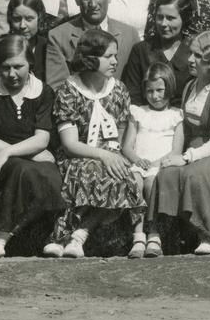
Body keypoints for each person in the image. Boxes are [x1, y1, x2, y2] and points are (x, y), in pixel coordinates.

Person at [0, 34, 66, 260]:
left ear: (30, 63)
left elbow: (42, 139)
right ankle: (0, 237)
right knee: (23, 170)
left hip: (28, 159)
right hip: (3, 160)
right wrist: (11, 154)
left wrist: (10, 152)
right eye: (5, 68)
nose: (11, 74)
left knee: (47, 176)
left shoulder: (43, 92)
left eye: (18, 67)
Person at [52, 28, 145, 259]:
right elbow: (70, 144)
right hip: (78, 155)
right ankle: (64, 236)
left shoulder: (118, 90)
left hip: (112, 154)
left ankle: (78, 235)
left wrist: (115, 155)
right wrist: (104, 155)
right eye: (108, 56)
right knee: (95, 171)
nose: (115, 61)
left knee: (125, 176)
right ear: (90, 58)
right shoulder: (69, 90)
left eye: (116, 55)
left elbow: (120, 137)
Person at [150, 32, 210, 256]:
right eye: (191, 53)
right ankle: (159, 236)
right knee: (167, 173)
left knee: (195, 174)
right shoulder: (190, 85)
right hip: (192, 150)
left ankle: (209, 235)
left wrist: (186, 157)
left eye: (198, 56)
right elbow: (184, 128)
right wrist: (174, 155)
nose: (190, 60)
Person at [122, 63, 186, 257]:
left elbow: (176, 150)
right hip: (138, 163)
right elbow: (126, 146)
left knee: (152, 184)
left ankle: (154, 233)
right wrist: (137, 159)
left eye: (159, 90)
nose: (155, 96)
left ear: (170, 88)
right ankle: (138, 235)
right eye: (150, 91)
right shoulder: (138, 112)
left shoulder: (176, 115)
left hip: (161, 165)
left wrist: (157, 163)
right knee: (134, 182)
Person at [44, 0, 141, 90]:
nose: (93, 4)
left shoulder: (130, 35)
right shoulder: (58, 36)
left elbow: (136, 86)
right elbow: (57, 87)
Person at [122, 0, 197, 103]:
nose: (163, 24)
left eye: (170, 18)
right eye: (160, 17)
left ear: (184, 19)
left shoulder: (194, 51)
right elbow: (133, 97)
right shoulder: (141, 50)